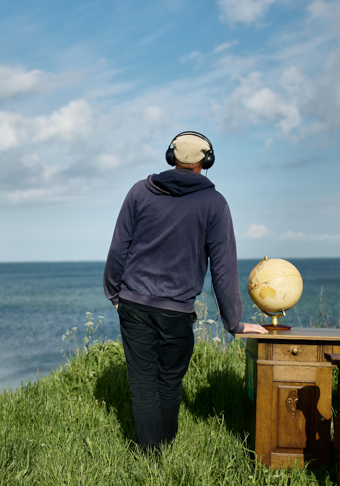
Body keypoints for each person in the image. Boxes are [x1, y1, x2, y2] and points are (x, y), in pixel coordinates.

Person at [103, 131, 267, 455]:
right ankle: (163, 449)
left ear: (171, 156)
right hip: (177, 310)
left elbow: (119, 246)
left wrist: (115, 295)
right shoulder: (214, 203)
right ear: (207, 162)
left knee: (142, 382)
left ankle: (151, 456)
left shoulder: (139, 192)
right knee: (169, 381)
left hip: (134, 302)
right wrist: (234, 322)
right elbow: (223, 267)